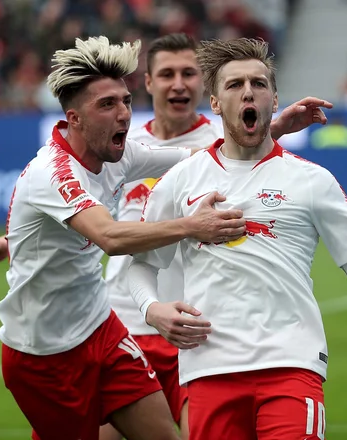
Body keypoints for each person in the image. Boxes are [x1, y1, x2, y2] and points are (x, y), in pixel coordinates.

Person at [128, 37, 347, 440]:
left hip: (292, 367)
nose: (248, 92)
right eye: (234, 85)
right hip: (208, 369)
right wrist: (153, 310)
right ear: (216, 103)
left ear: (274, 99)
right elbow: (141, 265)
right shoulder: (179, 182)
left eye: (258, 83)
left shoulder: (311, 180)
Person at [0, 35, 251, 440]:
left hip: (101, 328)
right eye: (107, 104)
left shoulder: (120, 155)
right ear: (74, 118)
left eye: (126, 101)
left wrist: (276, 126)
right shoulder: (54, 172)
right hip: (42, 353)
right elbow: (110, 237)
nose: (123, 115)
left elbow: (201, 155)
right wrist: (192, 226)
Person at [100, 33, 332, 440]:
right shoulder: (123, 149)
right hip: (126, 321)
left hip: (196, 330)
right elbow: (81, 216)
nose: (179, 83)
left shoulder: (215, 142)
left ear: (204, 87)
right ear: (149, 83)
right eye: (167, 73)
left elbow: (245, 147)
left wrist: (273, 127)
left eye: (189, 73)